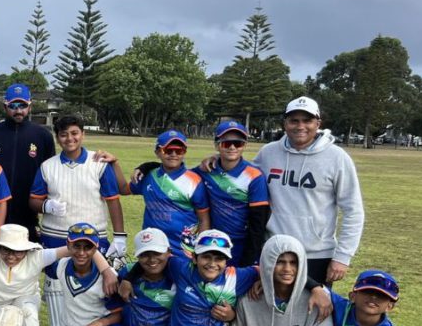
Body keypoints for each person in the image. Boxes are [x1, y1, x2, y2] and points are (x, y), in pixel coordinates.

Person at [29, 114, 126, 326]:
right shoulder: (48, 166)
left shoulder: (98, 163)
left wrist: (121, 235)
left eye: (74, 133)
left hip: (92, 237)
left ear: (82, 134)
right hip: (55, 234)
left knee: (96, 285)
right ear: (58, 138)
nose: (69, 138)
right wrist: (46, 207)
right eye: (64, 134)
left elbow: (113, 201)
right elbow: (34, 200)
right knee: (54, 285)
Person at [253, 97, 364, 285]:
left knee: (313, 311)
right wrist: (217, 162)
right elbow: (244, 178)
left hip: (316, 255)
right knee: (272, 309)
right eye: (294, 120)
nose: (300, 126)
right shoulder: (268, 153)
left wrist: (343, 257)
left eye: (307, 120)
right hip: (274, 249)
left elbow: (353, 210)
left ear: (318, 123)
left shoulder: (337, 158)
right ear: (285, 123)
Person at [118, 130, 210, 257]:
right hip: (151, 246)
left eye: (179, 150)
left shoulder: (194, 180)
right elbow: (123, 189)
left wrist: (200, 249)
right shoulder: (148, 175)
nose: (173, 154)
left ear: (184, 152)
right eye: (168, 150)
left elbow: (204, 219)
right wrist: (114, 163)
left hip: (182, 249)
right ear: (157, 152)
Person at [0, 83, 55, 242]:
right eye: (13, 105)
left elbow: (52, 173)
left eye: (23, 105)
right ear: (5, 106)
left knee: (27, 261)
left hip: (29, 211)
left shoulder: (42, 135)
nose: (18, 110)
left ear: (30, 106)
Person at [194, 120, 270, 266]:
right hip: (212, 244)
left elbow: (258, 224)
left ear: (245, 146)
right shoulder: (207, 170)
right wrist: (148, 167)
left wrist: (248, 260)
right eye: (226, 143)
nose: (233, 147)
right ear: (217, 145)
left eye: (238, 143)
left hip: (241, 245)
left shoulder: (254, 176)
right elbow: (177, 172)